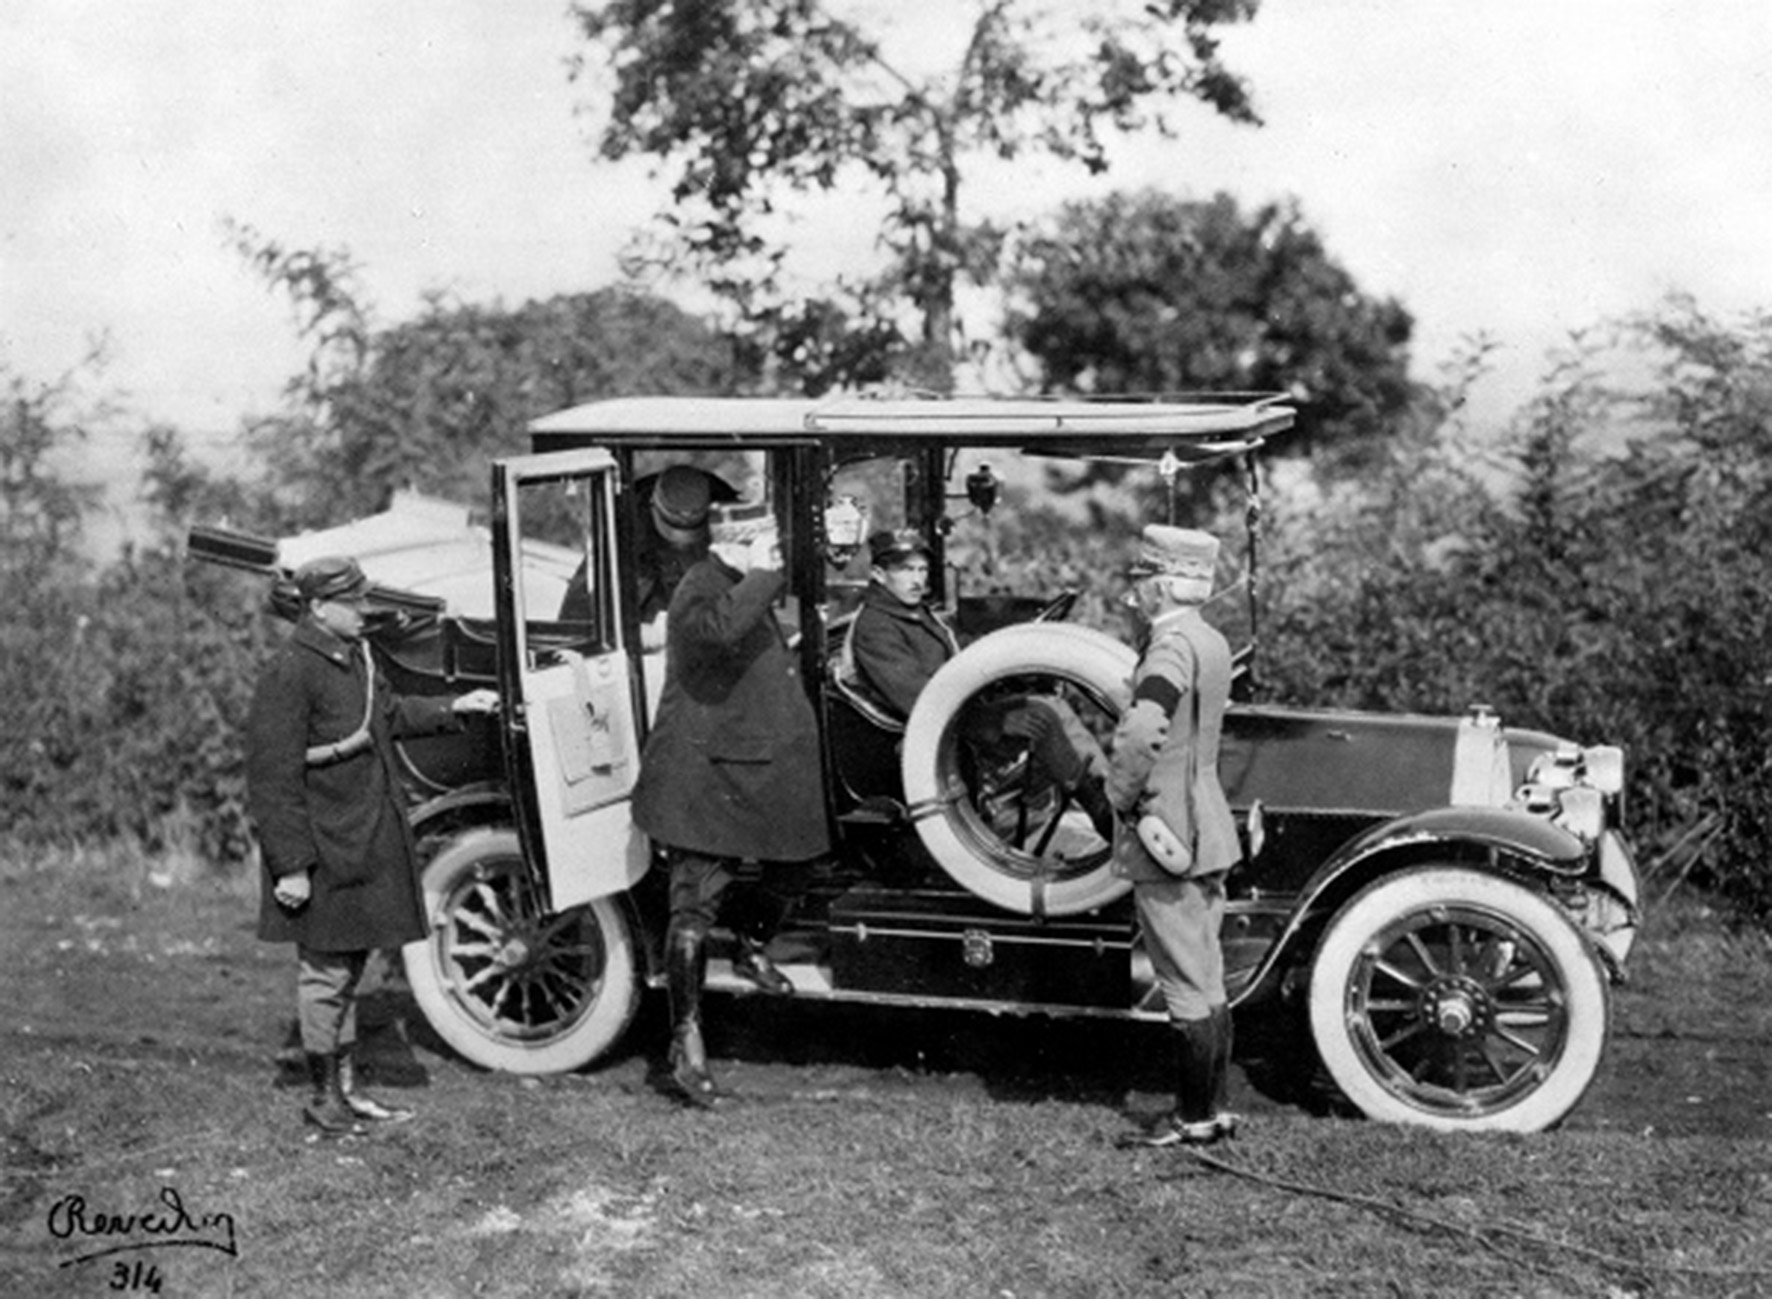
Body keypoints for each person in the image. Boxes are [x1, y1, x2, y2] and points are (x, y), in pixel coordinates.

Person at [246, 555, 498, 1136]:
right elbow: (272, 778)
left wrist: (454, 707)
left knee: (349, 964)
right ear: (316, 608)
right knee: (326, 972)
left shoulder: (352, 656)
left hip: (362, 834)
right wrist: (291, 867)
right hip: (321, 844)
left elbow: (384, 714)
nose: (364, 611)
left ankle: (346, 1091)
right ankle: (322, 1096)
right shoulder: (290, 670)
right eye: (353, 602)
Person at [1019, 526, 1242, 1147]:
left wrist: (1117, 795)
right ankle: (1215, 1110)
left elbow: (1144, 730)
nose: (1134, 594)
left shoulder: (1170, 648)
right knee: (1208, 972)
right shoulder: (1212, 640)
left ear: (1166, 582)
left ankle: (1193, 1118)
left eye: (1143, 581)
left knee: (1181, 979)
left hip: (1165, 826)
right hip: (1207, 822)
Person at [629, 502, 832, 1108]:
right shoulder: (701, 586)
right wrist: (765, 576)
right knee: (693, 907)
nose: (776, 552)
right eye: (768, 541)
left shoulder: (736, 585)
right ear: (739, 542)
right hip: (704, 778)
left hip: (755, 769)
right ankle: (685, 1044)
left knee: (794, 868)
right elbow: (716, 632)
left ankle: (747, 944)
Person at [846, 527, 960, 723]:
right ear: (879, 574)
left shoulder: (914, 612)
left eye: (922, 570)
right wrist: (994, 722)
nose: (917, 581)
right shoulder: (876, 627)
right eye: (906, 570)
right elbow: (921, 700)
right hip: (913, 739)